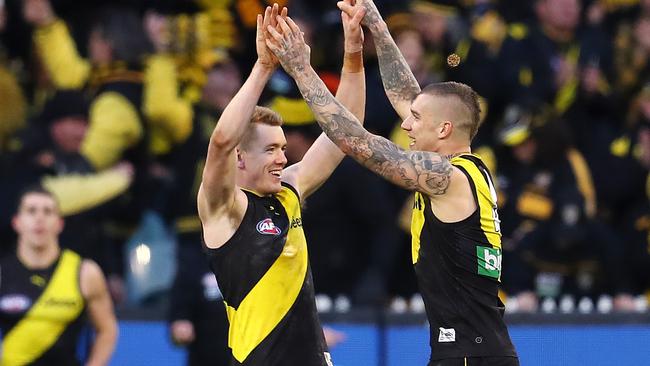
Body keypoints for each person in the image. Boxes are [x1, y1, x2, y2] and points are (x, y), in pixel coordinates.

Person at [265, 0, 519, 364]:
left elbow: (357, 141)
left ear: (443, 129)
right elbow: (404, 94)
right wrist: (377, 25)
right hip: (472, 350)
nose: (406, 124)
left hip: (469, 355)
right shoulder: (463, 168)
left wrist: (301, 69)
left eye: (416, 119)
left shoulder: (448, 178)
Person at [197, 3, 365, 365]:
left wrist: (353, 53)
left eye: (284, 149)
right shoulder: (224, 208)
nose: (283, 158)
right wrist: (263, 68)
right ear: (240, 158)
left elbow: (347, 132)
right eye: (271, 149)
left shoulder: (289, 191)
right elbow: (222, 141)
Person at [0, 186, 117, 365]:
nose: (40, 219)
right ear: (17, 222)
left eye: (48, 212)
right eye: (31, 211)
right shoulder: (2, 272)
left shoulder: (84, 272)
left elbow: (107, 330)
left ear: (59, 223)